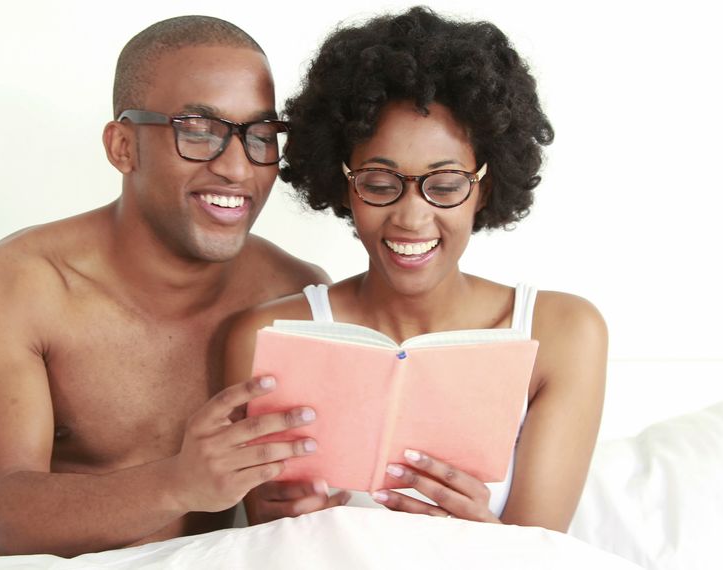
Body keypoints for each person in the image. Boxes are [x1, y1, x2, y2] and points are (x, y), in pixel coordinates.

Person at [0, 16, 333, 558]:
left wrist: (297, 503)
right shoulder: (15, 285)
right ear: (123, 146)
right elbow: (3, 509)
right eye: (198, 130)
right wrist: (181, 482)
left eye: (261, 136)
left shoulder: (296, 293)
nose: (238, 168)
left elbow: (276, 507)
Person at [224, 7, 607, 532]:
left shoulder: (563, 334)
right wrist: (266, 517)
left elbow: (541, 552)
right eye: (380, 183)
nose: (410, 217)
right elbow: (251, 539)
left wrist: (486, 537)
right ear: (344, 185)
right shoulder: (262, 337)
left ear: (484, 188)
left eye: (445, 184)